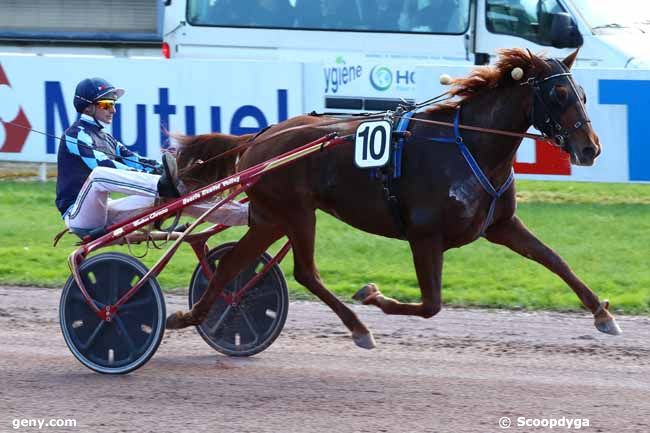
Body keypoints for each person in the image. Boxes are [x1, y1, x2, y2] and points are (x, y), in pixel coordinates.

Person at [55, 77, 247, 238]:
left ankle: (243, 214)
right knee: (99, 174)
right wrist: (159, 181)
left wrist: (169, 170)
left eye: (113, 104)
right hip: (78, 215)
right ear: (88, 108)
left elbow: (135, 160)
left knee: (177, 197)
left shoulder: (106, 138)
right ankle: (162, 185)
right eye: (106, 104)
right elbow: (102, 164)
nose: (113, 110)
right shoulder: (74, 135)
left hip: (104, 209)